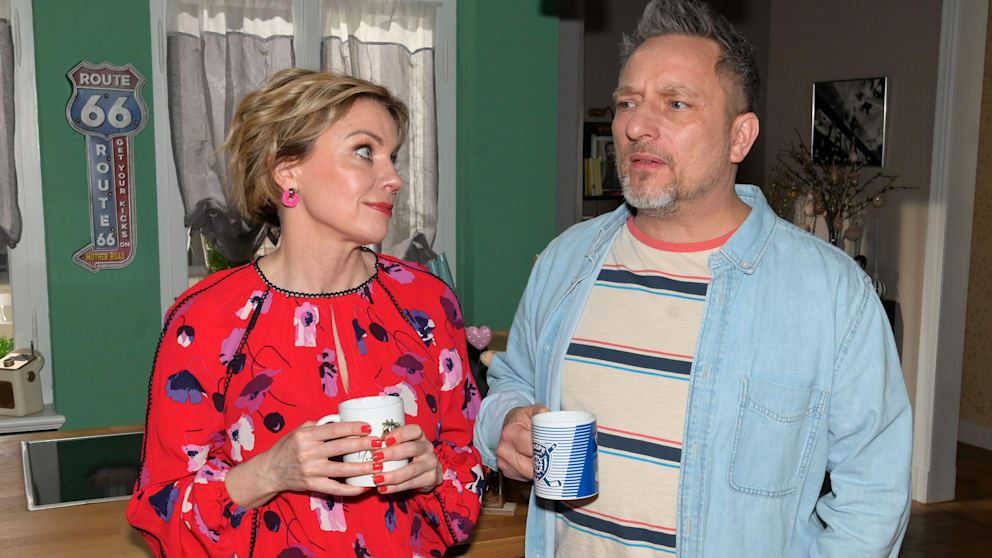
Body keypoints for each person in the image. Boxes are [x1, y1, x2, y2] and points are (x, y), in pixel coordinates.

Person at [474, 1, 912, 557]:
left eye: (675, 103)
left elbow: (874, 493)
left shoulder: (830, 293)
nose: (635, 126)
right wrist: (506, 421)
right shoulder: (566, 260)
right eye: (627, 103)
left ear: (739, 137)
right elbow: (513, 380)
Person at [128, 69, 484, 557]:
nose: (394, 179)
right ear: (287, 170)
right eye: (365, 151)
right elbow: (164, 513)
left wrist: (434, 472)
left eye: (393, 157)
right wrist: (271, 471)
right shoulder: (206, 318)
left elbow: (467, 472)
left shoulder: (427, 302)